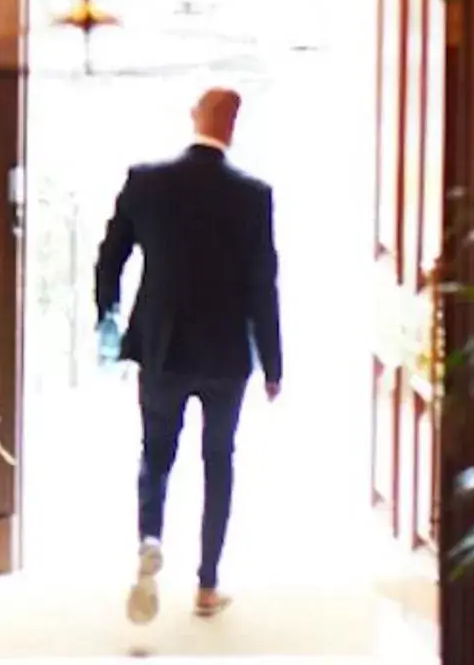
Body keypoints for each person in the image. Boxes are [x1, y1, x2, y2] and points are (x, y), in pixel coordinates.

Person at [94, 86, 283, 623]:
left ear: (194, 116)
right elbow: (262, 284)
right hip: (226, 352)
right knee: (218, 461)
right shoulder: (252, 195)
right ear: (233, 126)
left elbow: (110, 257)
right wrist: (273, 363)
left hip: (163, 344)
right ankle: (206, 585)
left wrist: (106, 316)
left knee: (155, 453)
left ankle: (150, 539)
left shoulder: (146, 181)